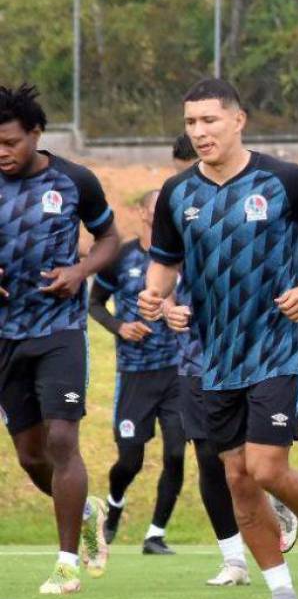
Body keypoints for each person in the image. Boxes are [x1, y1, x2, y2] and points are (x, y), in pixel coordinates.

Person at [140, 78, 298, 599]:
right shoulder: (178, 194)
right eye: (191, 123)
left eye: (210, 120)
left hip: (280, 344)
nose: (200, 132)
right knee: (237, 478)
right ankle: (283, 596)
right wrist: (159, 298)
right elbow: (165, 260)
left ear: (238, 120)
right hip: (218, 354)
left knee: (267, 466)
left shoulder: (286, 181)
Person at [0, 82, 120, 594]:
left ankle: (68, 562)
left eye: (10, 143)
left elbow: (109, 238)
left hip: (59, 330)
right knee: (31, 456)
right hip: (5, 337)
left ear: (36, 134)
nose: (2, 153)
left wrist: (80, 270)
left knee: (63, 439)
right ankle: (84, 511)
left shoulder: (74, 180)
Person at [165, 133, 251, 586]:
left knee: (256, 461)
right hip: (196, 360)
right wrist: (165, 307)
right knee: (208, 458)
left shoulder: (250, 200)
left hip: (252, 354)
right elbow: (162, 280)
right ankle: (233, 559)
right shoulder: (176, 209)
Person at [91, 190, 186, 555]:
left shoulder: (183, 257)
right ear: (143, 212)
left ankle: (155, 535)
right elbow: (95, 304)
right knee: (130, 459)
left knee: (176, 453)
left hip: (176, 372)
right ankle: (114, 506)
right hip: (134, 373)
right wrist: (120, 328)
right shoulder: (122, 257)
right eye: (156, 205)